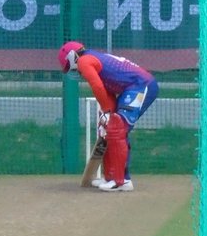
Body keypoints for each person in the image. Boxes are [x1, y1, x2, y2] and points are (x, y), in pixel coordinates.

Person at [58, 41, 159, 192]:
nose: (74, 71)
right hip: (133, 88)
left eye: (69, 66)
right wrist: (107, 113)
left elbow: (97, 87)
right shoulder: (92, 59)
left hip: (141, 85)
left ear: (72, 57)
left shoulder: (85, 61)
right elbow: (107, 91)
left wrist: (106, 110)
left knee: (117, 128)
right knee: (109, 128)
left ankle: (121, 181)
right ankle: (111, 177)